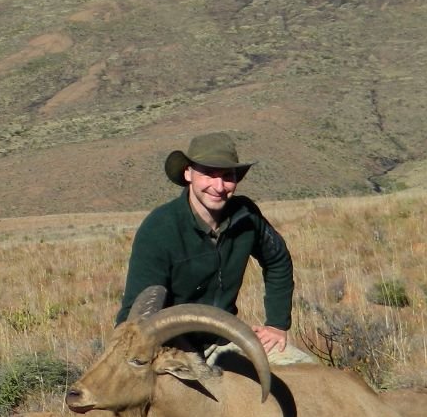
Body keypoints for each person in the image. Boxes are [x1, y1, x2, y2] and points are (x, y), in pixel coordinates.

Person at [117, 131, 316, 364]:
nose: (219, 186)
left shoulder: (247, 215)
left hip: (225, 341)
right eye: (209, 174)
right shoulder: (159, 228)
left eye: (227, 175)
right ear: (188, 173)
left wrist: (277, 324)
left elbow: (277, 260)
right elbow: (136, 310)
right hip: (168, 349)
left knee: (304, 370)